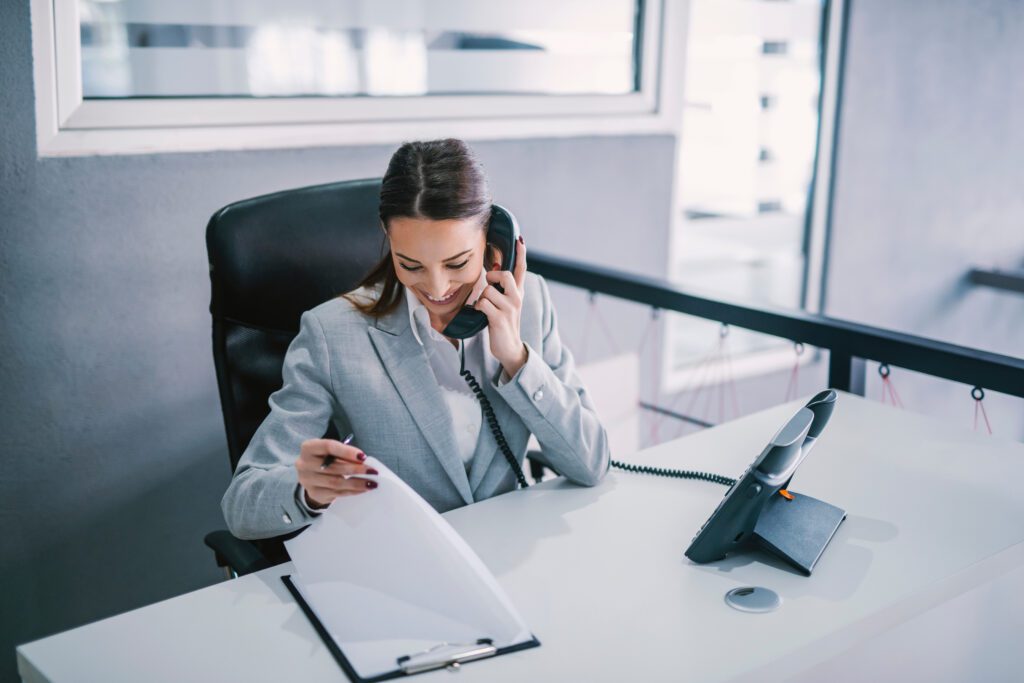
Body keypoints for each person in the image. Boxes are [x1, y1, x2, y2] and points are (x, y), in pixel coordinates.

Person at [222, 138, 609, 540]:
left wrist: (516, 357)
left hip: (509, 552)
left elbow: (591, 463)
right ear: (389, 241)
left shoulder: (528, 307)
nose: (437, 287)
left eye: (457, 262)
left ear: (495, 245)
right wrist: (307, 493)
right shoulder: (332, 334)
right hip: (403, 563)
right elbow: (242, 502)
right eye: (411, 265)